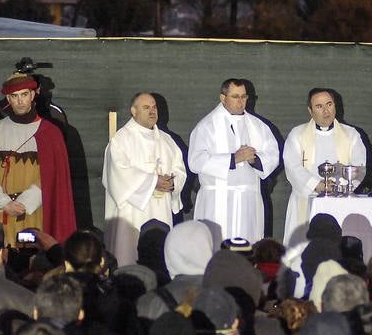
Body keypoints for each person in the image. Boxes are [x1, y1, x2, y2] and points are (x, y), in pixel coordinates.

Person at [0, 72, 77, 247]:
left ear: (32, 95)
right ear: (8, 97)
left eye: (24, 94)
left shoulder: (50, 132)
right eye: (14, 96)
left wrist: (24, 203)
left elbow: (51, 174)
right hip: (2, 212)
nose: (20, 101)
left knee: (33, 260)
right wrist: (3, 202)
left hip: (35, 212)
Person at [187, 79, 280, 243]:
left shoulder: (258, 126)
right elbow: (195, 160)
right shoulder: (207, 126)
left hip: (248, 200)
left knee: (249, 246)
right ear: (223, 98)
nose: (240, 101)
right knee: (216, 246)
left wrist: (255, 161)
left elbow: (273, 154)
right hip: (217, 200)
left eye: (244, 96)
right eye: (235, 96)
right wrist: (233, 159)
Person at [103, 92, 187, 267]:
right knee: (130, 257)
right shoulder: (121, 139)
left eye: (154, 107)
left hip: (161, 208)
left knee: (159, 260)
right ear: (133, 111)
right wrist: (153, 181)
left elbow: (180, 169)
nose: (152, 111)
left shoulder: (167, 140)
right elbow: (117, 173)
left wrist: (173, 183)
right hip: (133, 213)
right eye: (146, 107)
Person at [281, 88, 367, 248]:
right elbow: (292, 166)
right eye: (319, 106)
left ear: (336, 106)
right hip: (306, 201)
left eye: (329, 104)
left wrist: (339, 187)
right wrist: (317, 185)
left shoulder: (351, 134)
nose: (326, 111)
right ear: (310, 110)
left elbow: (359, 167)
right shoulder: (298, 134)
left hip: (340, 200)